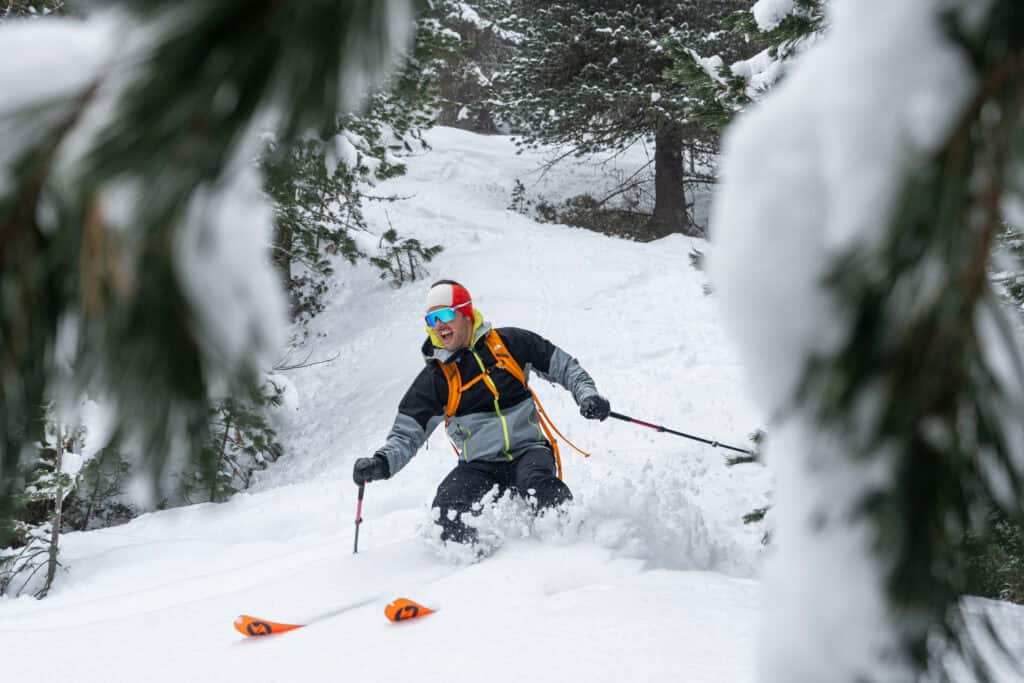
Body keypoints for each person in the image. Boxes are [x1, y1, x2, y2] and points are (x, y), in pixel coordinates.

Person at [353, 279, 610, 546]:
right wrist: (381, 463)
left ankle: (580, 547)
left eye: (445, 315)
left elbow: (565, 367)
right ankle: (481, 571)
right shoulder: (437, 377)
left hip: (528, 451)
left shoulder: (509, 344)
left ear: (465, 313)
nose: (439, 325)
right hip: (478, 466)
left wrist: (588, 396)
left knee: (540, 488)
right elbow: (406, 434)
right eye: (431, 319)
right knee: (447, 513)